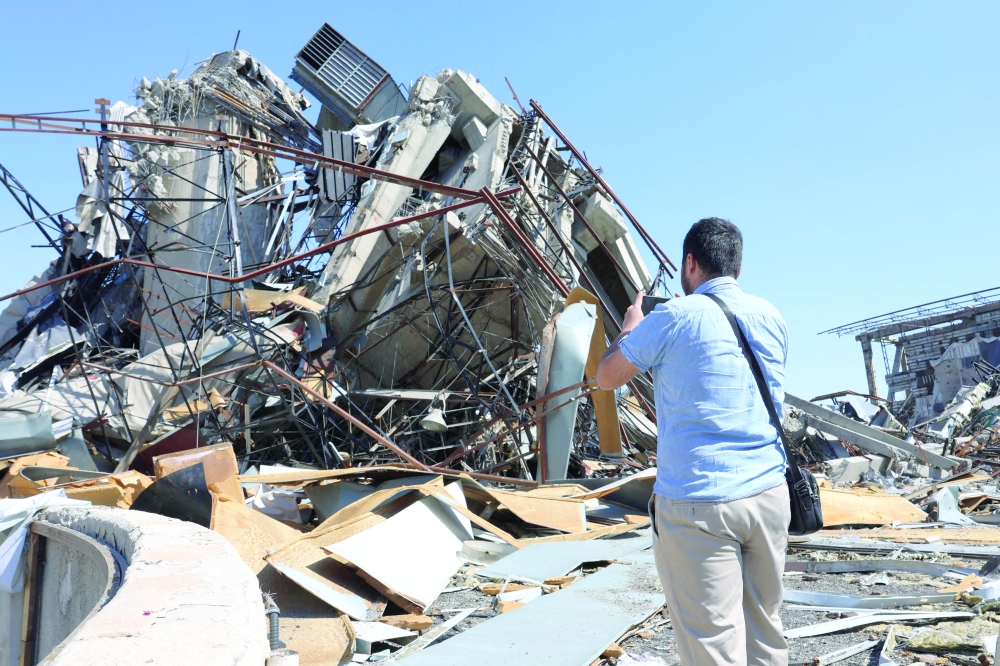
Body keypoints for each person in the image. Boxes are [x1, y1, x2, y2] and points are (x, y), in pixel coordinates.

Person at [596, 218, 789, 666]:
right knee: (765, 632)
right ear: (737, 268)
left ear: (690, 263)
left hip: (699, 501)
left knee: (712, 643)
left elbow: (607, 376)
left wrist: (630, 328)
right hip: (769, 494)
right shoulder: (772, 316)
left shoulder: (674, 316)